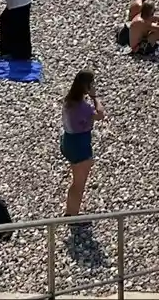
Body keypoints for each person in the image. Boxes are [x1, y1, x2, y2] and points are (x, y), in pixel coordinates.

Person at [60, 70, 103, 215]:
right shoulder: (83, 107)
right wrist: (95, 97)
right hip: (80, 144)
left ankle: (71, 211)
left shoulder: (68, 101)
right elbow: (100, 114)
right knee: (79, 183)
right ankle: (73, 214)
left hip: (68, 141)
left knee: (76, 181)